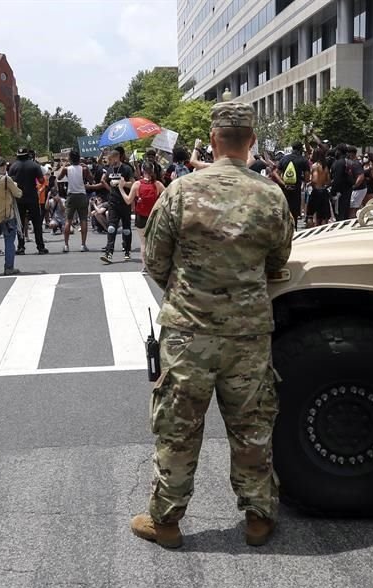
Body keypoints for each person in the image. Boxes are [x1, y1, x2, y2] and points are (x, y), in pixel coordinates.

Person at [131, 101, 294, 550]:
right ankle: (258, 516)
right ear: (252, 140)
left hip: (189, 333)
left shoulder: (182, 191)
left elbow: (155, 260)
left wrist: (189, 292)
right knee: (252, 426)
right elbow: (279, 263)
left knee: (178, 428)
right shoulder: (270, 195)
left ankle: (166, 520)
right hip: (248, 334)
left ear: (214, 138)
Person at [119, 160, 163, 273]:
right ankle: (156, 265)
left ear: (142, 170)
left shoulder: (137, 184)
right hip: (154, 216)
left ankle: (145, 267)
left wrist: (121, 188)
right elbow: (168, 194)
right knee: (153, 242)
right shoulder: (157, 184)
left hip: (141, 217)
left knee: (143, 243)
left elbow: (128, 201)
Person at [8, 147, 47, 255]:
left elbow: (10, 182)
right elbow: (41, 180)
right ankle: (40, 247)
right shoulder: (34, 165)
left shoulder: (13, 166)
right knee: (36, 223)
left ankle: (21, 247)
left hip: (19, 198)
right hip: (32, 197)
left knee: (20, 224)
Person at [99, 147, 134, 263]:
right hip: (113, 202)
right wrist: (111, 189)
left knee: (126, 229)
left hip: (124, 202)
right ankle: (109, 252)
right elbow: (103, 181)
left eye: (111, 159)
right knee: (111, 227)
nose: (109, 161)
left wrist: (122, 183)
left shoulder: (126, 168)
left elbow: (133, 184)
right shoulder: (110, 170)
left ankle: (127, 250)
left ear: (117, 157)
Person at [59, 149, 90, 253]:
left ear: (70, 158)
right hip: (81, 194)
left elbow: (59, 177)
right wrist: (86, 168)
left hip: (71, 194)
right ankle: (83, 244)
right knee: (83, 220)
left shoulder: (67, 169)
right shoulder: (84, 169)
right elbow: (91, 179)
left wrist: (64, 165)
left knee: (68, 220)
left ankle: (66, 245)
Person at [276, 141, 310, 223]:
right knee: (294, 213)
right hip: (296, 190)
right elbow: (307, 178)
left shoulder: (284, 159)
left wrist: (284, 184)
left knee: (285, 211)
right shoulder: (303, 160)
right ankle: (294, 230)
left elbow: (277, 174)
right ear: (300, 149)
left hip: (285, 189)